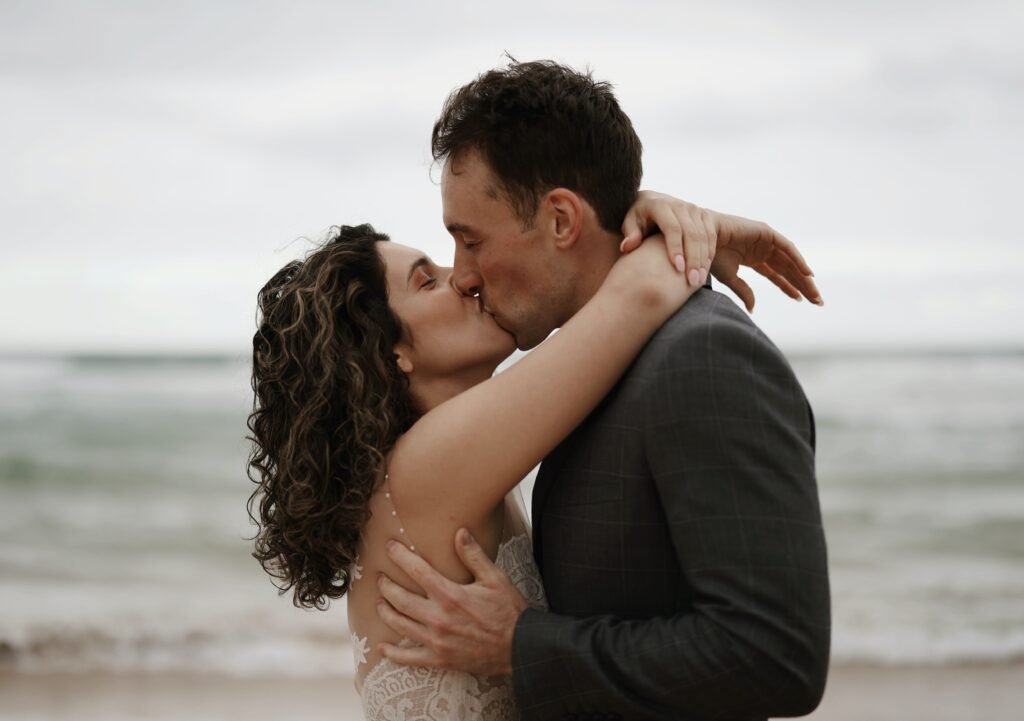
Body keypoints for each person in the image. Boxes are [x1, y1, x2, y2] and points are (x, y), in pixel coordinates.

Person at [374, 60, 831, 720]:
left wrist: (522, 644)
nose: (464, 276)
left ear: (562, 219)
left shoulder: (703, 356)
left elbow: (777, 656)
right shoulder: (588, 364)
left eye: (470, 241)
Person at [247, 203, 819, 717]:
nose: (465, 278)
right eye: (429, 282)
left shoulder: (450, 464)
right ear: (391, 350)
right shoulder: (427, 466)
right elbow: (638, 296)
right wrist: (678, 221)